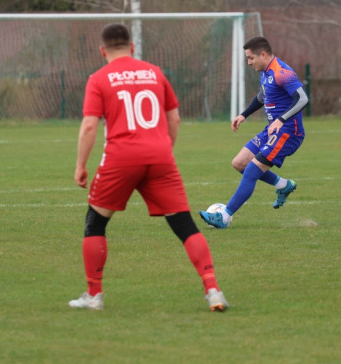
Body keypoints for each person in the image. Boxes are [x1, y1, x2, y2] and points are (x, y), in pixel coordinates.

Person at [71, 23, 228, 312]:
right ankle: (213, 290)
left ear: (102, 50)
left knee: (96, 222)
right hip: (160, 156)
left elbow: (90, 125)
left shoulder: (99, 78)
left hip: (120, 158)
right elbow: (175, 119)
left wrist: (81, 165)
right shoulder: (155, 72)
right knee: (184, 224)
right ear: (132, 47)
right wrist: (165, 151)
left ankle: (94, 296)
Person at [199, 36, 308, 229]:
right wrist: (244, 115)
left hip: (288, 133)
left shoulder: (282, 72)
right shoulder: (266, 72)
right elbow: (263, 95)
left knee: (251, 170)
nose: (249, 62)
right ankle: (283, 185)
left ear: (263, 54)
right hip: (272, 130)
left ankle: (223, 217)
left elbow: (302, 99)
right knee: (239, 163)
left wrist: (281, 119)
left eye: (251, 58)